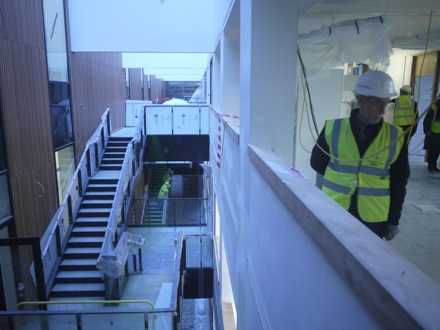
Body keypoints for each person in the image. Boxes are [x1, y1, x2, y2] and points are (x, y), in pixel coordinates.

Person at [310, 70, 410, 241]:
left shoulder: (395, 137)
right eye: (378, 103)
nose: (382, 110)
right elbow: (317, 164)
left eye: (386, 104)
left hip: (374, 219)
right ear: (361, 100)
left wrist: (394, 220)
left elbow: (399, 183)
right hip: (335, 211)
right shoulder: (332, 129)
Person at [423, 92, 440, 173]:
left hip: (437, 132)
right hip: (433, 132)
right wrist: (427, 131)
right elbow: (427, 119)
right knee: (433, 150)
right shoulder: (434, 106)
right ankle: (431, 166)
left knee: (437, 150)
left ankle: (434, 166)